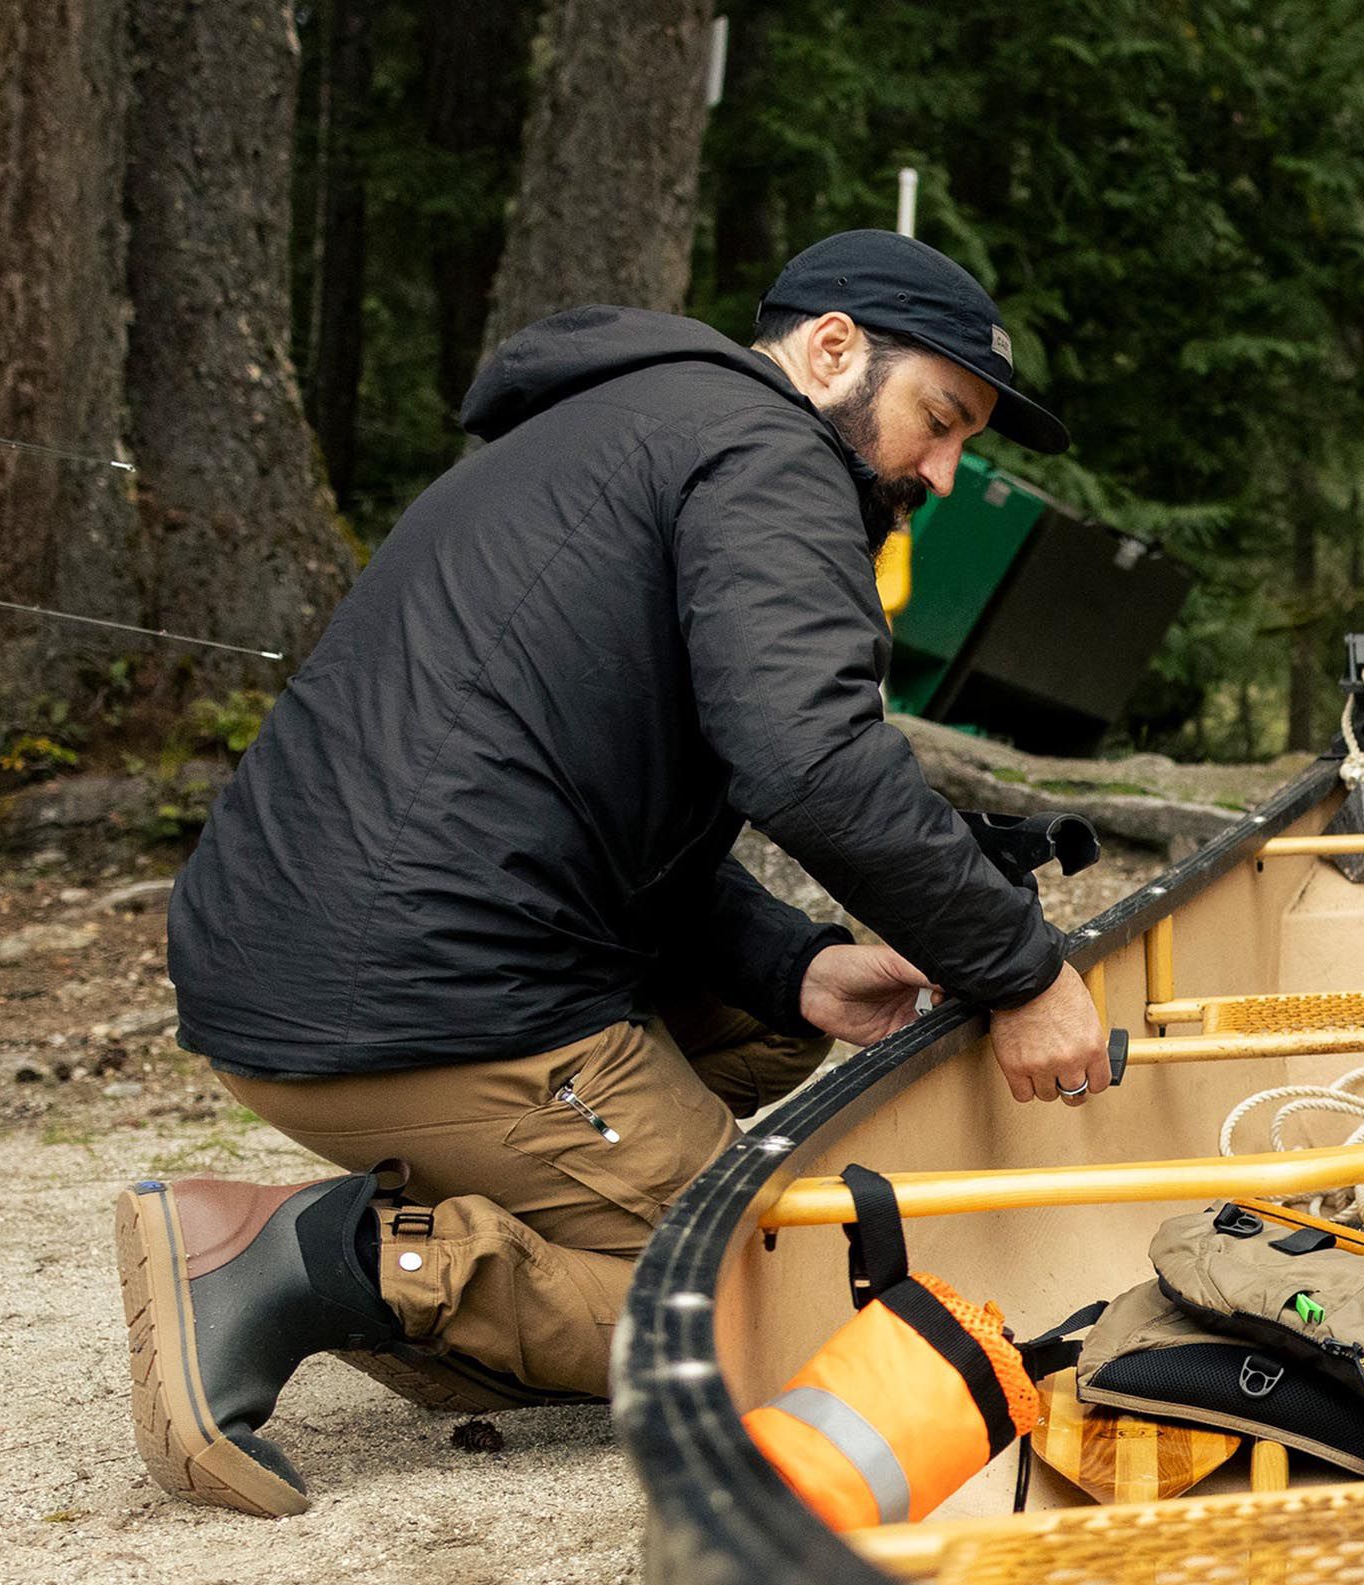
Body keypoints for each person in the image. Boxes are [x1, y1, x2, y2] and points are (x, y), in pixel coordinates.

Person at [116, 229, 1112, 1520]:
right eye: (938, 419)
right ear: (830, 351)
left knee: (770, 1033)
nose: (941, 467)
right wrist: (1022, 972)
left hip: (321, 947)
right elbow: (808, 761)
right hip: (410, 985)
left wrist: (798, 966)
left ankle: (490, 1253)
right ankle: (323, 1267)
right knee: (761, 1308)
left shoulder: (644, 422)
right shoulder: (771, 460)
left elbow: (602, 809)